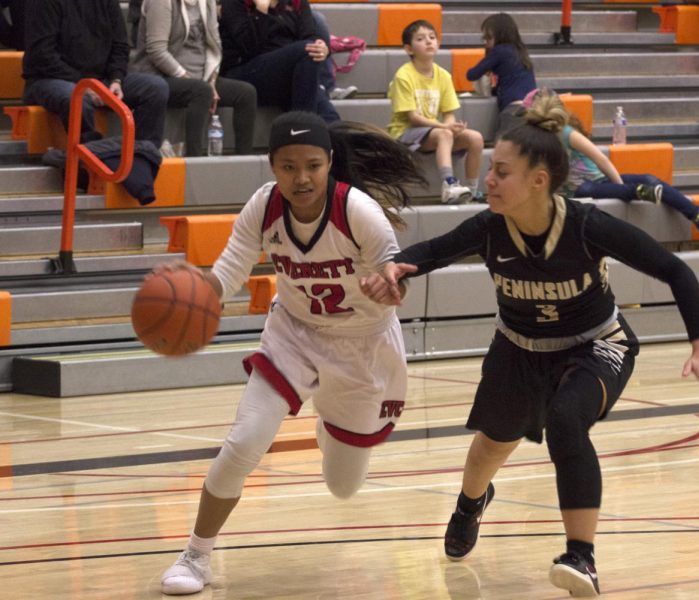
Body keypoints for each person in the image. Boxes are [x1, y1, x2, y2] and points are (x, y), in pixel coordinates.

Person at [361, 95, 699, 597]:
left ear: (539, 181)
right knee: (490, 448)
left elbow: (676, 270)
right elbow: (428, 253)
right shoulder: (491, 228)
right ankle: (471, 503)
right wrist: (396, 267)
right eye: (491, 169)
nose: (489, 180)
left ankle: (581, 557)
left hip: (596, 345)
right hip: (518, 347)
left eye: (502, 172)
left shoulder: (586, 226)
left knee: (566, 420)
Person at [157, 111, 425, 595]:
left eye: (312, 166)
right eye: (288, 166)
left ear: (329, 164)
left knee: (344, 486)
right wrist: (193, 296)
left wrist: (385, 284)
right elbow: (229, 271)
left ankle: (331, 423)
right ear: (272, 167)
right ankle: (195, 555)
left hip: (362, 345)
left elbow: (392, 270)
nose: (301, 178)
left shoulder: (358, 210)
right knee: (244, 442)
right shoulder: (264, 208)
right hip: (293, 333)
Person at [525, 88, 699, 243]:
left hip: (601, 180)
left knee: (649, 179)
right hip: (577, 191)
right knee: (587, 189)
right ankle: (638, 191)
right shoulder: (537, 142)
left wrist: (620, 186)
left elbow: (601, 160)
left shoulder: (567, 133)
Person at [22, 0, 168, 147]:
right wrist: (85, 85)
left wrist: (116, 79)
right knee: (76, 98)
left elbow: (120, 46)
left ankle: (143, 157)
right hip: (49, 79)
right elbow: (42, 56)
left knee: (154, 88)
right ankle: (91, 162)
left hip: (100, 80)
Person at [132, 0, 258, 157]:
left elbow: (214, 46)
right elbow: (157, 51)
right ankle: (195, 160)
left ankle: (244, 163)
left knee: (246, 93)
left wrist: (211, 79)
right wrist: (187, 78)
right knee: (201, 91)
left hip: (201, 78)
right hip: (161, 78)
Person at [387, 19, 485, 205]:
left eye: (432, 37)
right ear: (409, 49)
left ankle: (472, 190)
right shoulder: (404, 75)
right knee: (444, 133)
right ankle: (449, 185)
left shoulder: (444, 75)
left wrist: (451, 125)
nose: (429, 41)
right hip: (404, 133)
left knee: (476, 138)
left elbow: (449, 112)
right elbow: (413, 118)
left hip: (431, 132)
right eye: (421, 39)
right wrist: (445, 126)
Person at [219, 0, 339, 123]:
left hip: (288, 71)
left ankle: (324, 135)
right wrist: (261, 12)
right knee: (306, 51)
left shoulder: (296, 2)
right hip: (246, 70)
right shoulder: (234, 2)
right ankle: (303, 131)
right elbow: (248, 48)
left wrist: (322, 48)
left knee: (330, 117)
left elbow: (310, 36)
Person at [465, 13, 537, 136]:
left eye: (488, 38)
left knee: (503, 147)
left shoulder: (500, 51)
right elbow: (507, 82)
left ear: (500, 36)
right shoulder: (521, 52)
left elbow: (472, 74)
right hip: (534, 108)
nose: (486, 43)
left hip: (514, 109)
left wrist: (487, 67)